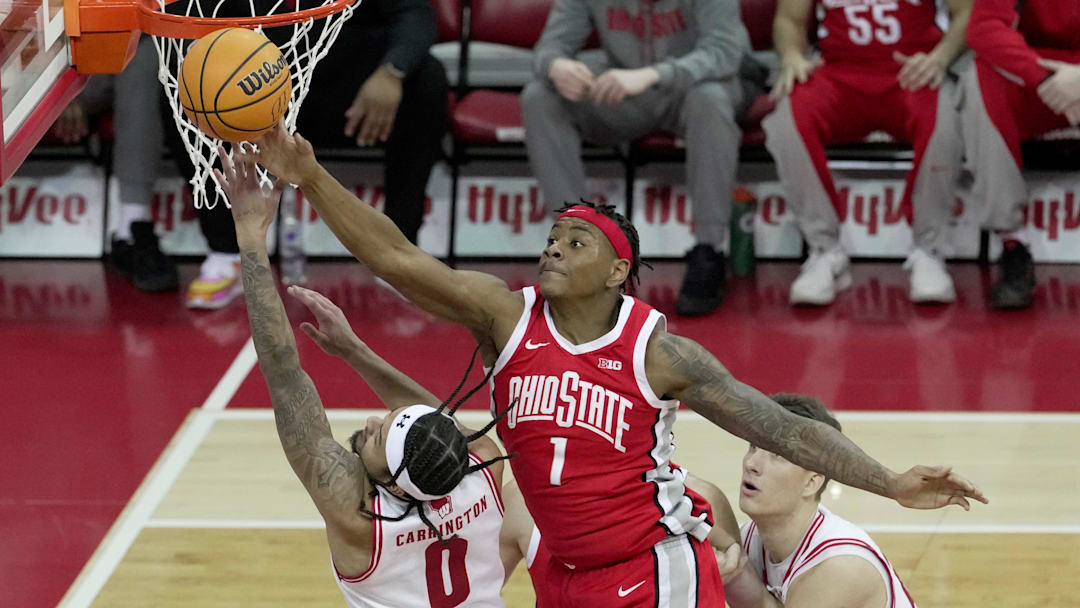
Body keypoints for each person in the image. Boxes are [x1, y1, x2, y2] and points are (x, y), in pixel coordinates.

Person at [249, 127, 987, 606]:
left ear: (616, 272)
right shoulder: (504, 316)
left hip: (655, 568)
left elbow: (782, 428)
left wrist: (888, 482)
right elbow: (397, 259)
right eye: (552, 237)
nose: (553, 249)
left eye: (576, 243)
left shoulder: (659, 353)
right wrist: (310, 176)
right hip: (562, 572)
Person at [215, 146, 510, 607]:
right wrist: (353, 351)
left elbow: (285, 375)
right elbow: (437, 427)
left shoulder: (358, 518)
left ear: (393, 485)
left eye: (377, 439)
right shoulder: (482, 471)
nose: (373, 421)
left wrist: (250, 235)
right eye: (391, 420)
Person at [520, 0, 767, 315]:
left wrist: (653, 74)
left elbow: (725, 53)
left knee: (711, 100)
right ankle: (573, 249)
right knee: (539, 97)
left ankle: (710, 250)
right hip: (624, 91)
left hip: (695, 88)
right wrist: (555, 66)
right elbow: (549, 48)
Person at [763, 0, 972, 305]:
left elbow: (966, 12)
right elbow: (788, 20)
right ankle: (825, 251)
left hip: (912, 71)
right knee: (786, 120)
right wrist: (792, 56)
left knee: (944, 120)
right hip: (838, 73)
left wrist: (941, 57)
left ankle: (929, 250)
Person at [723, 394, 917, 608]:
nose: (751, 463)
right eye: (753, 445)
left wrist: (741, 586)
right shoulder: (749, 539)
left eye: (777, 454)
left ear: (812, 482)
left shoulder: (840, 566)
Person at [291, 0, 448, 244]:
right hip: (265, 83)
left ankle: (402, 249)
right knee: (213, 83)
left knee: (426, 78)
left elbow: (415, 13)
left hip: (346, 95)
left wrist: (392, 71)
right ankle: (226, 251)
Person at [957, 0, 1080, 309]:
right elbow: (984, 27)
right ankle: (1013, 243)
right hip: (1045, 74)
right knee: (980, 79)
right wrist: (1043, 77)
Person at [499, 473, 749, 606]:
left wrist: (701, 575)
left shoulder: (700, 500)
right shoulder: (521, 501)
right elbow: (472, 597)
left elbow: (755, 601)